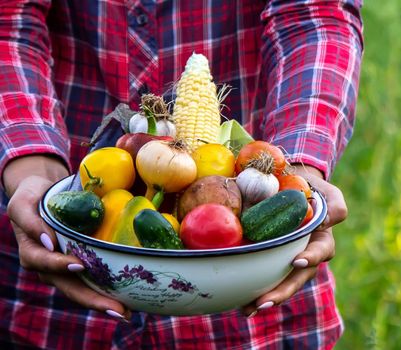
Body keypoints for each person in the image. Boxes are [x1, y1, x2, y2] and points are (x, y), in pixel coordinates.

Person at [0, 0, 362, 348]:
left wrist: (294, 171)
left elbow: (313, 16)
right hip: (55, 284)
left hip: (250, 279)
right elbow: (9, 24)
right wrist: (34, 170)